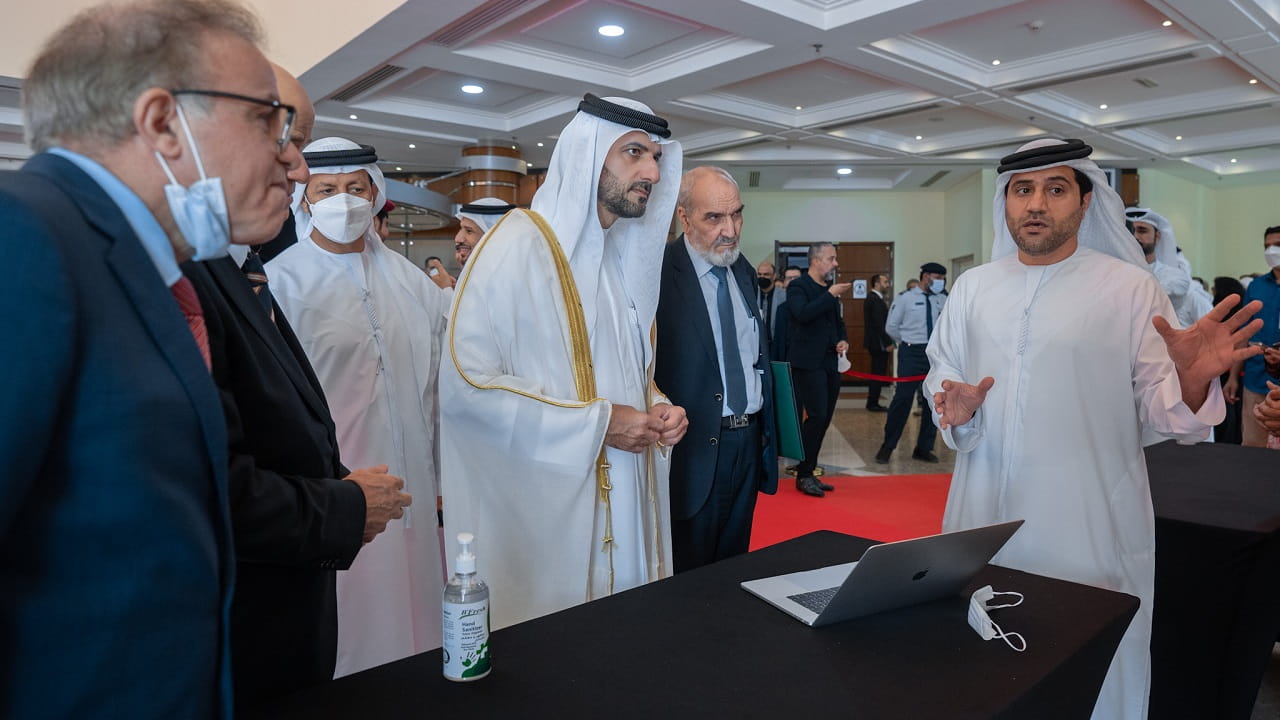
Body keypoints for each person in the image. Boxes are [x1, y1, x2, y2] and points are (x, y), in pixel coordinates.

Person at [1, 1, 302, 716]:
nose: (289, 155)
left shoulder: (146, 269)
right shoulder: (23, 235)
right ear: (163, 123)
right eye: (267, 119)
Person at [925, 138, 1260, 720]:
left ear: (1085, 203)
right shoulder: (974, 287)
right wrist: (956, 408)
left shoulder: (1130, 289)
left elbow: (1166, 412)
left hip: (1089, 525)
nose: (1036, 204)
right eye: (1023, 190)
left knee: (1088, 669)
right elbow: (945, 375)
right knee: (982, 673)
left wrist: (1190, 382)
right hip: (981, 515)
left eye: (1055, 189)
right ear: (1006, 202)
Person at [179, 72, 409, 706]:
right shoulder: (219, 279)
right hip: (265, 587)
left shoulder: (244, 272)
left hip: (338, 531)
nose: (302, 172)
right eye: (284, 139)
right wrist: (344, 504)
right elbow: (207, 483)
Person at [438, 94, 687, 629]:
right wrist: (598, 424)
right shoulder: (516, 246)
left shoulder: (618, 258)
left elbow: (621, 370)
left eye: (656, 158)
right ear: (587, 155)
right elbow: (467, 387)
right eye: (634, 153)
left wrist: (657, 405)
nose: (651, 172)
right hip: (551, 510)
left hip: (629, 488)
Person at [267, 138, 448, 676]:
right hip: (336, 485)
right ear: (304, 199)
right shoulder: (280, 282)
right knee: (351, 610)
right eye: (326, 189)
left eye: (354, 187)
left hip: (414, 477)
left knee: (418, 600)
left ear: (374, 194)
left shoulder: (411, 281)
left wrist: (441, 474)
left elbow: (437, 388)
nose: (342, 200)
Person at [656, 167, 777, 571]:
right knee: (687, 573)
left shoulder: (743, 271)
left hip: (747, 442)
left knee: (733, 564)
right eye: (714, 217)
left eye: (737, 214)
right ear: (684, 217)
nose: (730, 230)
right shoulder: (658, 273)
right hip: (691, 448)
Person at [786, 242, 850, 497]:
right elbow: (802, 314)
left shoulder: (828, 290)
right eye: (831, 258)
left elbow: (837, 322)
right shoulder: (798, 287)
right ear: (815, 260)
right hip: (808, 363)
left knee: (824, 418)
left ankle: (809, 470)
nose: (835, 263)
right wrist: (830, 295)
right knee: (816, 416)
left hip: (830, 362)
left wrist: (843, 339)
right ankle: (803, 473)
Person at [876, 263, 946, 464]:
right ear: (925, 276)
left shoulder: (943, 299)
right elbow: (891, 327)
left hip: (934, 354)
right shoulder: (905, 298)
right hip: (911, 352)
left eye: (942, 279)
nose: (941, 282)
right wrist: (906, 341)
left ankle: (924, 448)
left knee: (932, 402)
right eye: (937, 278)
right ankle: (888, 446)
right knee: (903, 400)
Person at [1226, 225, 1280, 446]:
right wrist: (1232, 377)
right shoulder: (1256, 287)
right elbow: (1243, 334)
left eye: (1277, 245)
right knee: (1252, 448)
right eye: (1267, 246)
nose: (1271, 251)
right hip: (1255, 380)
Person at [1125, 207, 1204, 328]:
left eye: (1142, 230)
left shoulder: (1174, 277)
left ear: (1157, 237)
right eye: (1131, 231)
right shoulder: (1117, 272)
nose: (1135, 236)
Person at [862, 273, 893, 411]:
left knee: (878, 372)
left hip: (877, 342)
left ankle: (873, 401)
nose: (888, 285)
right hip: (878, 343)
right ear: (876, 283)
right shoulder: (874, 299)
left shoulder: (875, 299)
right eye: (885, 282)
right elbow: (879, 325)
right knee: (878, 373)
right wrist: (887, 343)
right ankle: (872, 403)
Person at [756, 260, 786, 355]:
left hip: (777, 346)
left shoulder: (784, 296)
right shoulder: (752, 295)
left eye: (766, 274)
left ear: (774, 276)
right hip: (757, 346)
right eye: (759, 274)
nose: (762, 277)